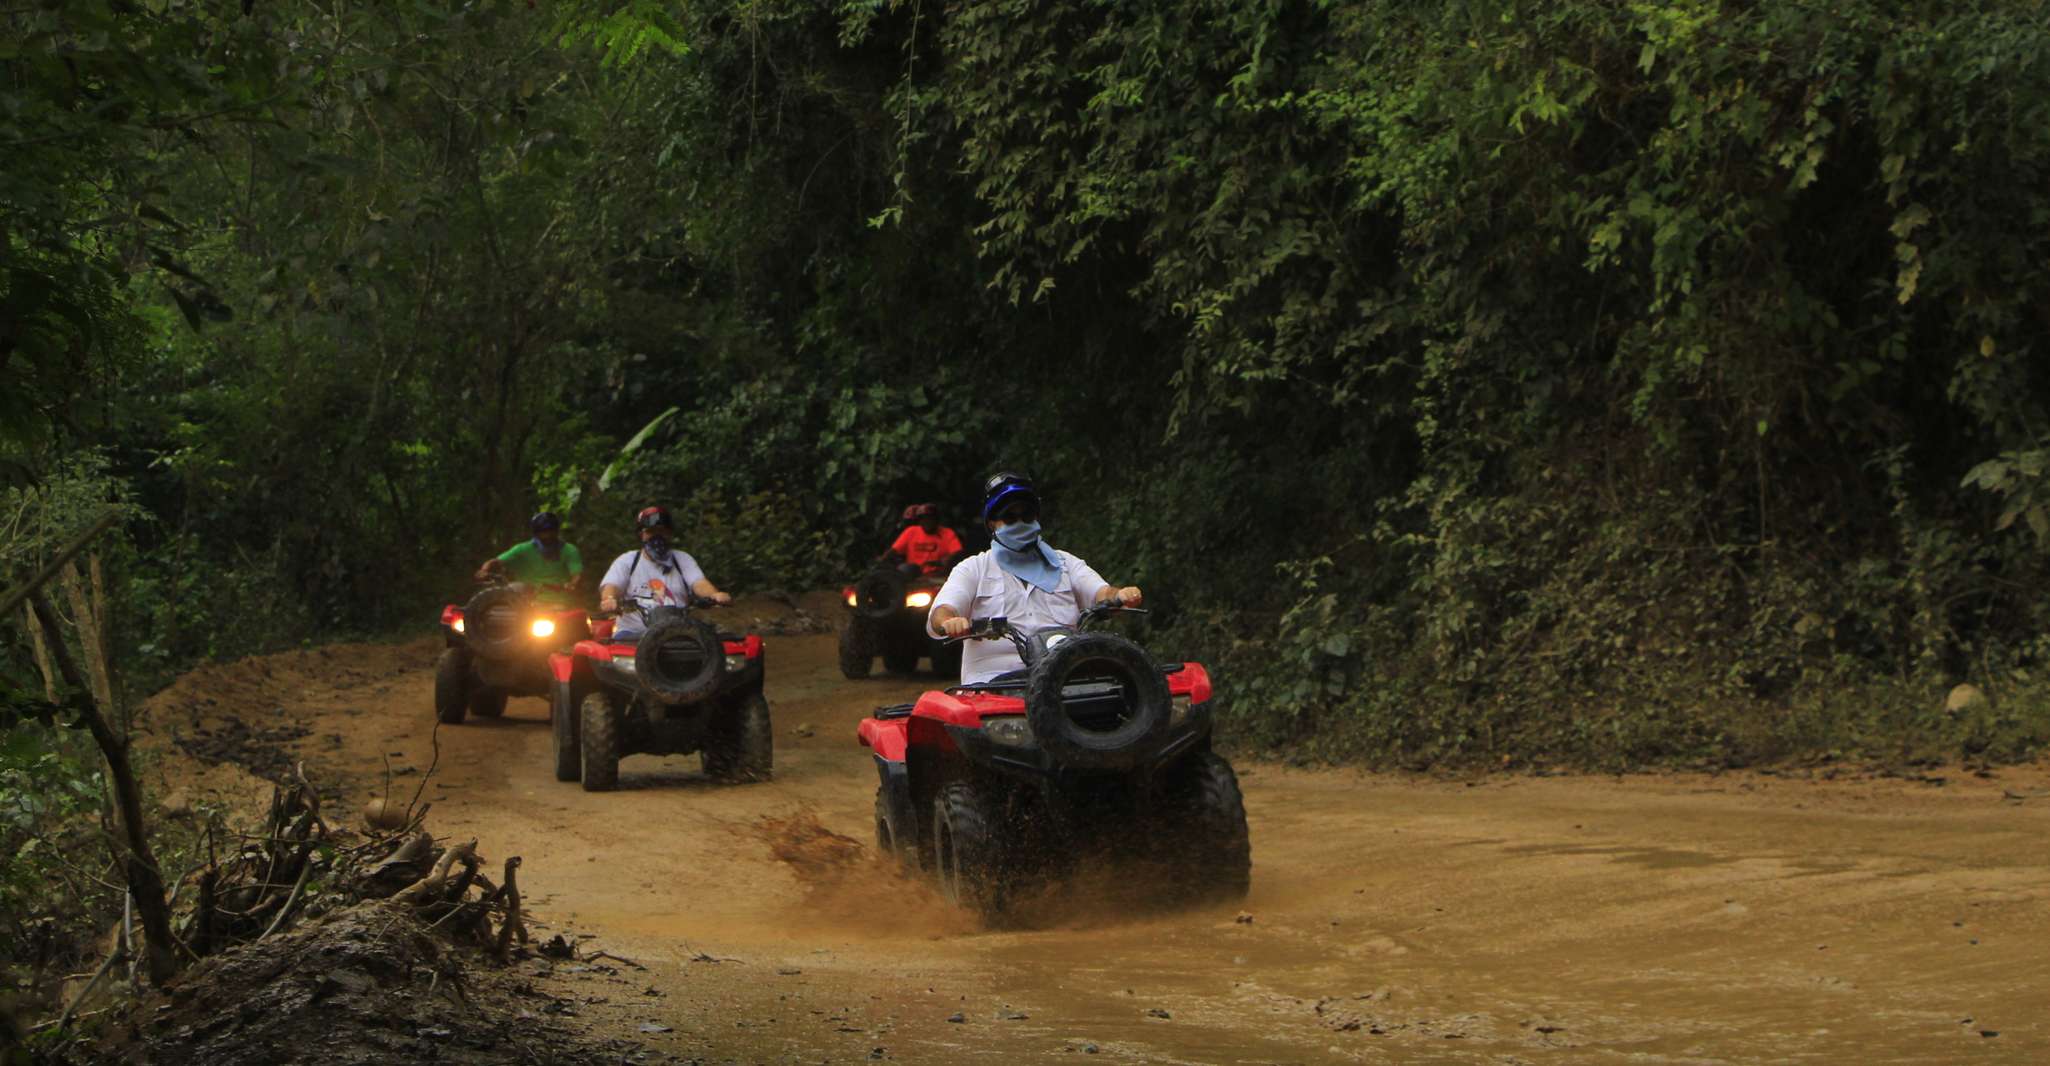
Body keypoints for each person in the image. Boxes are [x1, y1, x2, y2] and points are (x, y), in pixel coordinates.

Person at [926, 472, 1142, 684]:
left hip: (1063, 677)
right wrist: (949, 622)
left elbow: (1101, 593)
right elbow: (942, 611)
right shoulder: (973, 568)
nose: (1020, 523)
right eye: (1009, 517)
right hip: (991, 684)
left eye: (1026, 516)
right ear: (992, 523)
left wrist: (1120, 595)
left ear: (1036, 517)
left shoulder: (1065, 563)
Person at [598, 505, 733, 642]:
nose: (657, 537)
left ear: (670, 533)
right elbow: (612, 585)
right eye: (651, 532)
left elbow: (699, 583)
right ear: (642, 535)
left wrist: (714, 595)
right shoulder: (627, 560)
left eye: (661, 531)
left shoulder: (682, 559)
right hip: (633, 635)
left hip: (678, 633)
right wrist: (609, 599)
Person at [476, 512, 584, 607]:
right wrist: (485, 570)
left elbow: (576, 574)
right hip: (526, 602)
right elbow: (496, 561)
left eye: (550, 531)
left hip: (559, 602)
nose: (547, 535)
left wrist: (572, 584)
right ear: (536, 533)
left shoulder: (569, 550)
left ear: (556, 531)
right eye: (543, 532)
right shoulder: (523, 549)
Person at [885, 503, 964, 576]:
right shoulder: (911, 531)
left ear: (936, 520)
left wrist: (946, 561)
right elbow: (894, 550)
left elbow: (957, 552)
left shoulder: (947, 533)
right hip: (915, 575)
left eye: (930, 518)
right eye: (923, 519)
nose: (927, 522)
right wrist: (881, 561)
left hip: (938, 575)